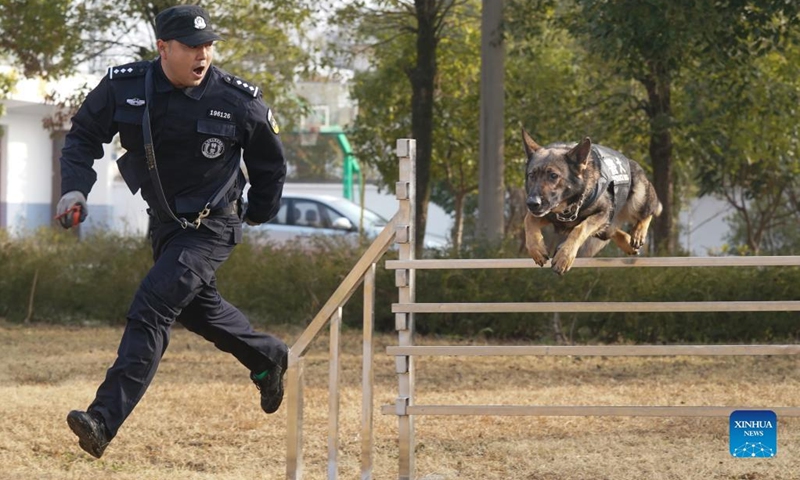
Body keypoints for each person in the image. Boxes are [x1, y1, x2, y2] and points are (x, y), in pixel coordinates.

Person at [57, 5, 289, 459]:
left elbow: (269, 161)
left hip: (211, 225)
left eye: (208, 46)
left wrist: (259, 212)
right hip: (165, 223)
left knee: (152, 308)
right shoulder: (125, 87)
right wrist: (74, 191)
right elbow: (83, 136)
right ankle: (267, 358)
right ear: (164, 48)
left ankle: (103, 420)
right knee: (198, 312)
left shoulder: (237, 99)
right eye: (191, 47)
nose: (203, 55)